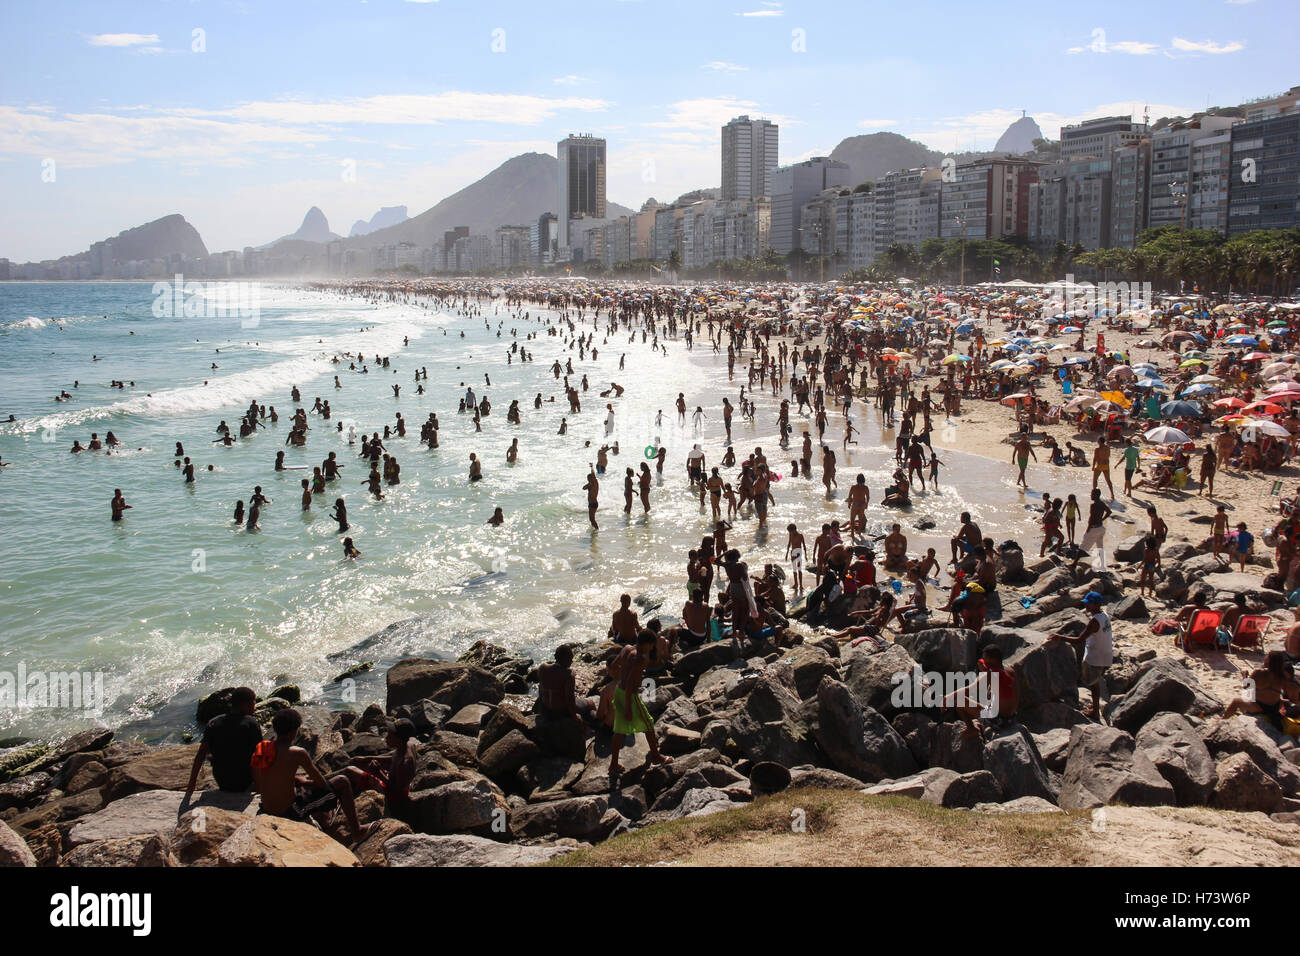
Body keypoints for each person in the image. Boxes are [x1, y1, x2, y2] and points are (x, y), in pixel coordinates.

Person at [607, 632, 672, 785]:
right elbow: (631, 684)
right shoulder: (641, 658)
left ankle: (613, 765)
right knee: (648, 723)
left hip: (619, 691)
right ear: (646, 644)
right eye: (652, 645)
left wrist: (621, 676)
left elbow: (614, 665)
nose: (652, 648)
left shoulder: (627, 648)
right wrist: (629, 707)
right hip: (630, 695)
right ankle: (656, 757)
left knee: (619, 730)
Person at [185, 687, 262, 794]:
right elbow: (258, 757)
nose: (255, 707)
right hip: (244, 781)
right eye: (253, 703)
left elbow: (201, 753)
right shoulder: (251, 723)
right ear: (244, 704)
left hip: (222, 779)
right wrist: (259, 786)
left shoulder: (213, 722)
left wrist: (191, 784)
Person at [1048, 592, 1111, 720]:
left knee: (1092, 684)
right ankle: (1095, 708)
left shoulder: (1094, 622)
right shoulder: (1104, 615)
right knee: (1095, 682)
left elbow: (1079, 640)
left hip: (1095, 656)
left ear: (1096, 605)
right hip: (1105, 654)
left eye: (1089, 603)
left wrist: (1060, 637)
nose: (1086, 605)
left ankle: (1095, 711)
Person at [342, 718, 418, 822]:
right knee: (358, 763)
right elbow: (393, 758)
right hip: (390, 780)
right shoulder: (407, 745)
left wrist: (378, 773)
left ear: (398, 739)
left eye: (390, 735)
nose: (386, 737)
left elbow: (396, 791)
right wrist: (368, 758)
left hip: (391, 796)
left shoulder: (406, 762)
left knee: (349, 770)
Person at [1074, 489, 1112, 569]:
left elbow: (1091, 518)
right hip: (1101, 528)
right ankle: (1102, 565)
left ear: (1096, 495)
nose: (1091, 496)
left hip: (1093, 528)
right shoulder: (1102, 504)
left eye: (1092, 494)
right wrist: (1102, 519)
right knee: (1100, 547)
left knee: (1082, 546)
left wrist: (1088, 528)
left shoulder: (1093, 505)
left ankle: (1074, 563)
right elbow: (1109, 512)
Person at [785, 523, 806, 594]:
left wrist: (806, 555)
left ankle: (801, 585)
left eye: (790, 531)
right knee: (794, 570)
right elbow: (789, 543)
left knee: (799, 569)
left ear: (794, 530)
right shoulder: (791, 535)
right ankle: (796, 584)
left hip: (799, 552)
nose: (789, 533)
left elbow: (804, 545)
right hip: (793, 552)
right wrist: (787, 553)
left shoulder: (800, 535)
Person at [583, 465, 599, 529]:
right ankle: (594, 531)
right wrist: (588, 484)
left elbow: (593, 474)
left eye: (590, 478)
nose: (589, 480)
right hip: (590, 504)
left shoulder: (595, 483)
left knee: (592, 519)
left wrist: (592, 467)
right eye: (588, 479)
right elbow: (583, 488)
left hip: (594, 503)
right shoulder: (589, 485)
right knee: (591, 519)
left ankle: (597, 530)